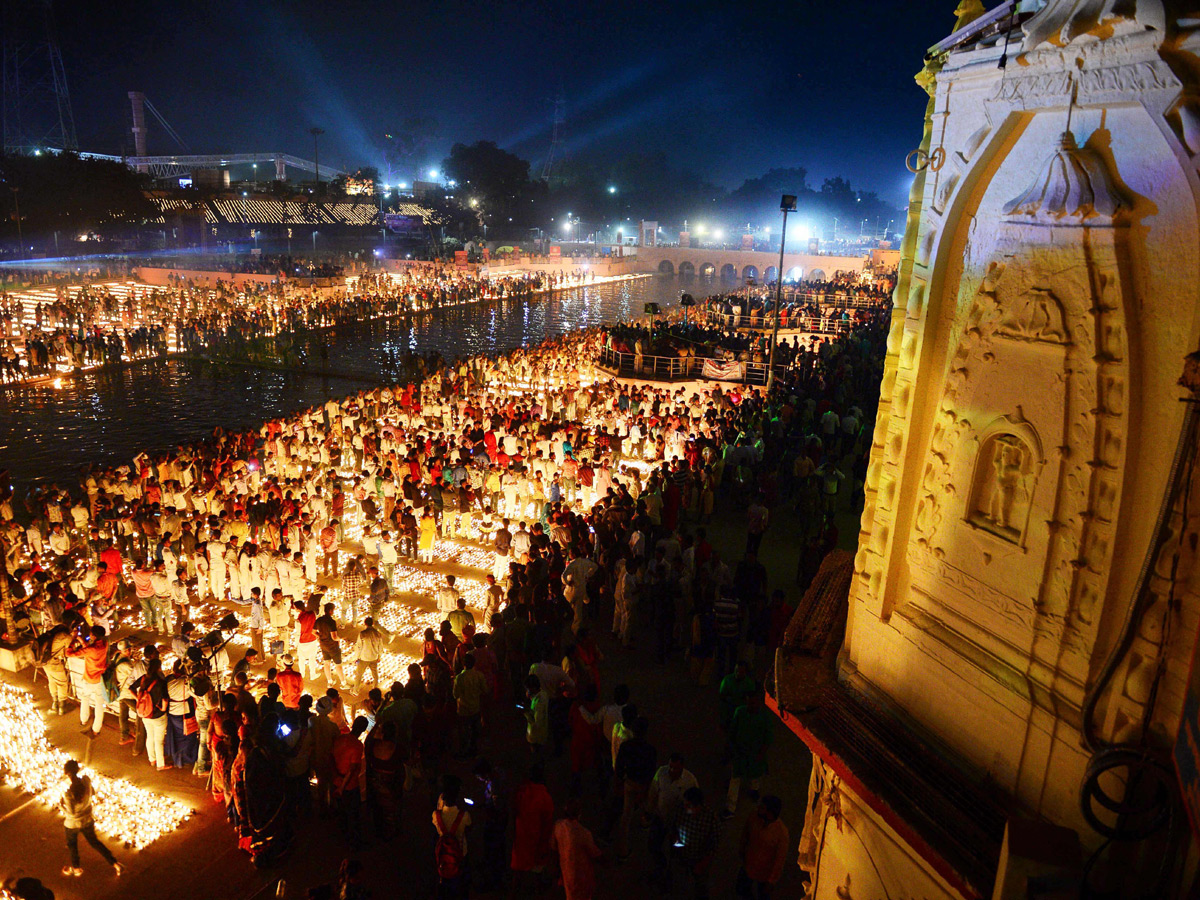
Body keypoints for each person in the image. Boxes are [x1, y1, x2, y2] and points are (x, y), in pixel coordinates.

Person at [59, 759, 121, 877]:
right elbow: (93, 793)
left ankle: (76, 868)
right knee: (94, 842)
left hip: (72, 824)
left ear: (66, 774)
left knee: (72, 845)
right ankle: (115, 863)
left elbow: (71, 812)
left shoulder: (68, 794)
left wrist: (61, 805)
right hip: (87, 820)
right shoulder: (86, 781)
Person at [647, 752, 699, 875]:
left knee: (676, 849)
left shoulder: (690, 780)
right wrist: (649, 810)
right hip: (661, 817)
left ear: (682, 767)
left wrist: (690, 818)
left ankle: (671, 872)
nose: (671, 770)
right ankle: (661, 866)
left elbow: (696, 801)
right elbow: (653, 792)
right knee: (653, 845)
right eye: (670, 766)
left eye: (675, 768)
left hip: (679, 824)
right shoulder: (661, 773)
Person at [726, 688, 773, 817]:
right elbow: (733, 731)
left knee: (755, 775)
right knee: (735, 778)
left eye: (753, 703)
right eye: (748, 703)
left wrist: (761, 753)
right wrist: (732, 749)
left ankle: (754, 790)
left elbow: (767, 739)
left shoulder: (764, 718)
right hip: (740, 752)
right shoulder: (740, 712)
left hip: (755, 753)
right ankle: (730, 808)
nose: (750, 706)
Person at [510, 762, 555, 894]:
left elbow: (514, 809)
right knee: (537, 868)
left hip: (522, 836)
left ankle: (514, 894)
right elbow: (547, 821)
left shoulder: (522, 791)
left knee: (518, 871)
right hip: (538, 838)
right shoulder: (545, 797)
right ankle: (538, 889)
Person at [736, 795, 789, 899]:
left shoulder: (781, 833)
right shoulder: (753, 817)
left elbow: (780, 860)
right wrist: (742, 850)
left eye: (762, 808)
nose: (758, 809)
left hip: (765, 874)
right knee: (741, 890)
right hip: (748, 866)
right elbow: (745, 833)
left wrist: (771, 881)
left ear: (770, 813)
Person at [550, 797, 602, 900]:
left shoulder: (558, 826)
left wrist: (556, 869)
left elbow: (553, 848)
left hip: (566, 872)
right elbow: (595, 854)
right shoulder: (584, 833)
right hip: (580, 875)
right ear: (579, 814)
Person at [672, 787, 719, 899]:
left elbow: (714, 844)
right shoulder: (681, 811)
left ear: (699, 806)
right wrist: (676, 843)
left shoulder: (711, 818)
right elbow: (674, 829)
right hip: (682, 854)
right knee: (680, 881)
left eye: (689, 806)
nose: (685, 808)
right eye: (685, 805)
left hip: (700, 858)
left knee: (701, 885)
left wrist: (704, 862)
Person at [332, 716, 369, 846]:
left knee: (342, 812)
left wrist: (336, 779)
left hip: (336, 780)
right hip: (349, 785)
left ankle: (342, 837)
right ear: (363, 730)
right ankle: (353, 842)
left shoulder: (340, 739)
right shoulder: (357, 746)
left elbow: (332, 759)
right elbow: (352, 770)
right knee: (353, 814)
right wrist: (342, 787)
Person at [66, 625, 108, 739]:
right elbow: (88, 650)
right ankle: (96, 729)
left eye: (90, 634)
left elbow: (70, 654)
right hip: (99, 680)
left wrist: (72, 642)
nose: (89, 635)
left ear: (93, 636)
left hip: (89, 679)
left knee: (85, 699)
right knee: (99, 705)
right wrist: (81, 640)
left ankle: (84, 720)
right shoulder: (105, 645)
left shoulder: (90, 649)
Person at [433, 777, 471, 899]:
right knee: (460, 881)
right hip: (460, 853)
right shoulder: (464, 815)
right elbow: (469, 827)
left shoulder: (436, 815)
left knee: (444, 882)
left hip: (443, 854)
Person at [452, 652, 488, 758]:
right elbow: (485, 690)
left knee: (463, 732)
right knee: (474, 730)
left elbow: (455, 695)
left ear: (463, 664)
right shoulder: (479, 675)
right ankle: (474, 749)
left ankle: (463, 751)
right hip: (475, 708)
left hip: (463, 709)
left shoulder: (459, 678)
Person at [315, 601, 344, 688]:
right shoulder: (331, 622)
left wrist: (320, 636)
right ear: (331, 610)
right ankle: (343, 682)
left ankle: (330, 682)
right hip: (333, 646)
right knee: (338, 664)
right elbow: (334, 637)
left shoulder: (319, 620)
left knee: (326, 663)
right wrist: (340, 639)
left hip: (323, 645)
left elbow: (313, 632)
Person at [353, 616, 383, 693]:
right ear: (372, 623)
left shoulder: (362, 634)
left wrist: (356, 657)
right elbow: (380, 647)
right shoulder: (378, 634)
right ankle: (375, 689)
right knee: (375, 675)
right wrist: (379, 656)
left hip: (363, 658)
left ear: (365, 624)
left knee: (359, 675)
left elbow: (359, 647)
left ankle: (355, 690)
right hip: (374, 657)